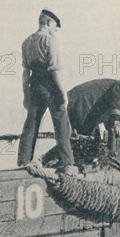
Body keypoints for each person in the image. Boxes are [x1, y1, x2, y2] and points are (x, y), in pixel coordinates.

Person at [17, 9, 77, 175]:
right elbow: (54, 70)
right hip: (50, 85)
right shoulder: (50, 41)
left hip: (34, 87)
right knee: (62, 124)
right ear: (48, 23)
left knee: (31, 124)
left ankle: (23, 161)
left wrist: (25, 95)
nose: (55, 30)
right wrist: (62, 92)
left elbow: (25, 74)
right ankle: (67, 163)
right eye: (55, 27)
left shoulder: (26, 42)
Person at [42, 78, 120, 165]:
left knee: (76, 140)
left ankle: (49, 159)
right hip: (83, 104)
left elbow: (108, 120)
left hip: (78, 104)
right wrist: (117, 124)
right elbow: (115, 109)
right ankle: (57, 161)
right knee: (84, 141)